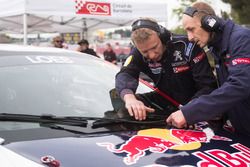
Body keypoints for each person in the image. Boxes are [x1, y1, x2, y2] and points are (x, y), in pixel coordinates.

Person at [166, 2, 250, 136]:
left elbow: (240, 85)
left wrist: (190, 112)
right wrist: (217, 113)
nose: (189, 38)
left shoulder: (241, 39)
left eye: (191, 29)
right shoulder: (217, 46)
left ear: (209, 22)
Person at [115, 18, 217, 121]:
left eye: (154, 47)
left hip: (197, 103)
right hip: (166, 102)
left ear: (162, 37)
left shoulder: (187, 45)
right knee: (123, 107)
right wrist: (129, 98)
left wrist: (188, 111)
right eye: (145, 52)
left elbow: (208, 86)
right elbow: (125, 73)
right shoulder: (137, 52)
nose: (152, 55)